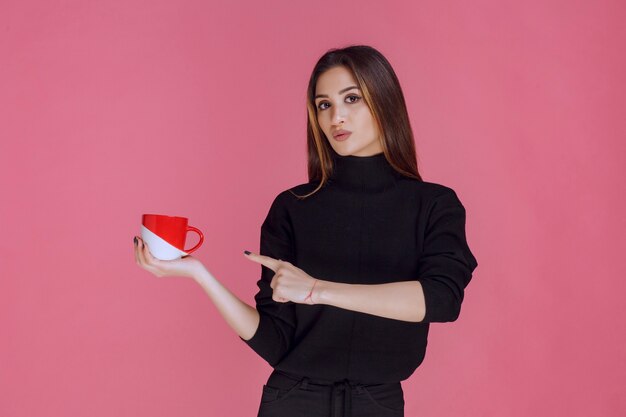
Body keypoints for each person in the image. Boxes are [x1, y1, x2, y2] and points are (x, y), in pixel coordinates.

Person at [133, 44, 478, 417]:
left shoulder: (434, 205)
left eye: (351, 98)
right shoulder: (292, 207)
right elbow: (275, 341)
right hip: (291, 400)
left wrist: (316, 291)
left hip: (379, 404)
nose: (336, 118)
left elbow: (442, 299)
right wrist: (199, 274)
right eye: (324, 104)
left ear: (385, 101)